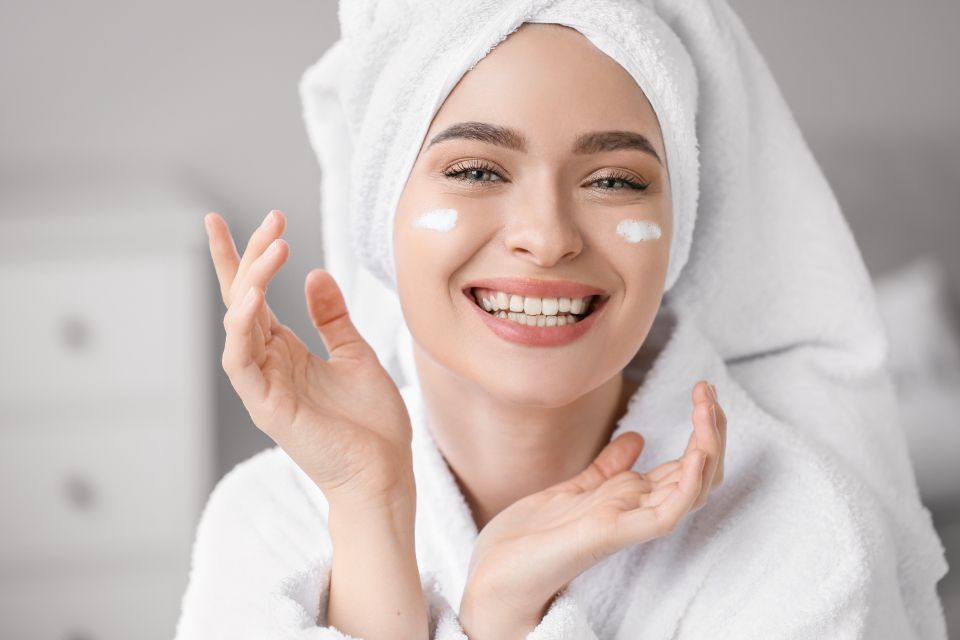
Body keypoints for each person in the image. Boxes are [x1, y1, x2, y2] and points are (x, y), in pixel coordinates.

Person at [174, 1, 950, 639]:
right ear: (384, 213)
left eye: (614, 179)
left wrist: (505, 618)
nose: (546, 236)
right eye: (477, 170)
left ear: (679, 230)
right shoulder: (267, 522)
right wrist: (372, 516)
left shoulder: (795, 533)